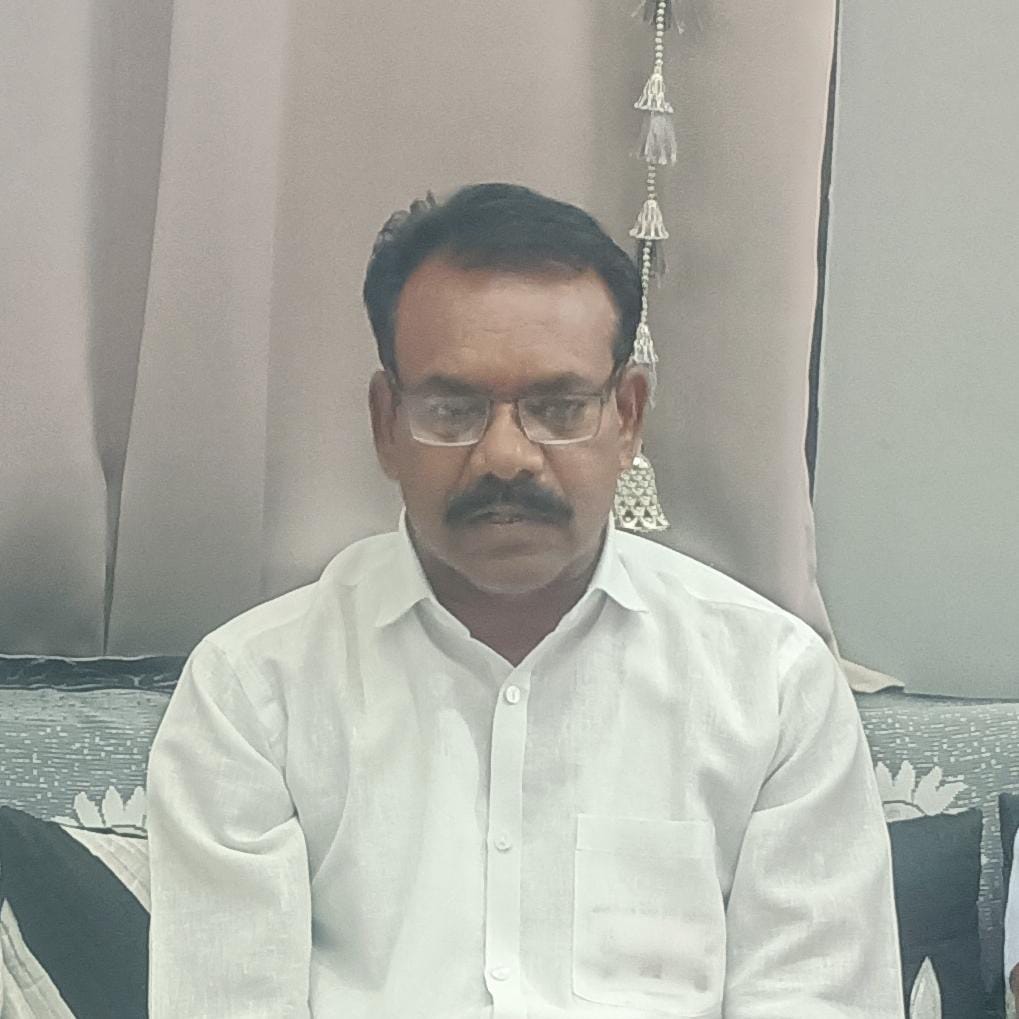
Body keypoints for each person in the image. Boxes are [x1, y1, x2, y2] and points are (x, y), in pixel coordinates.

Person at [146, 183, 904, 1018]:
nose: (506, 455)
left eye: (556, 407)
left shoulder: (772, 684)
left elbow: (817, 997)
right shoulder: (253, 691)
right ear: (385, 423)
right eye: (452, 409)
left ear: (627, 417)